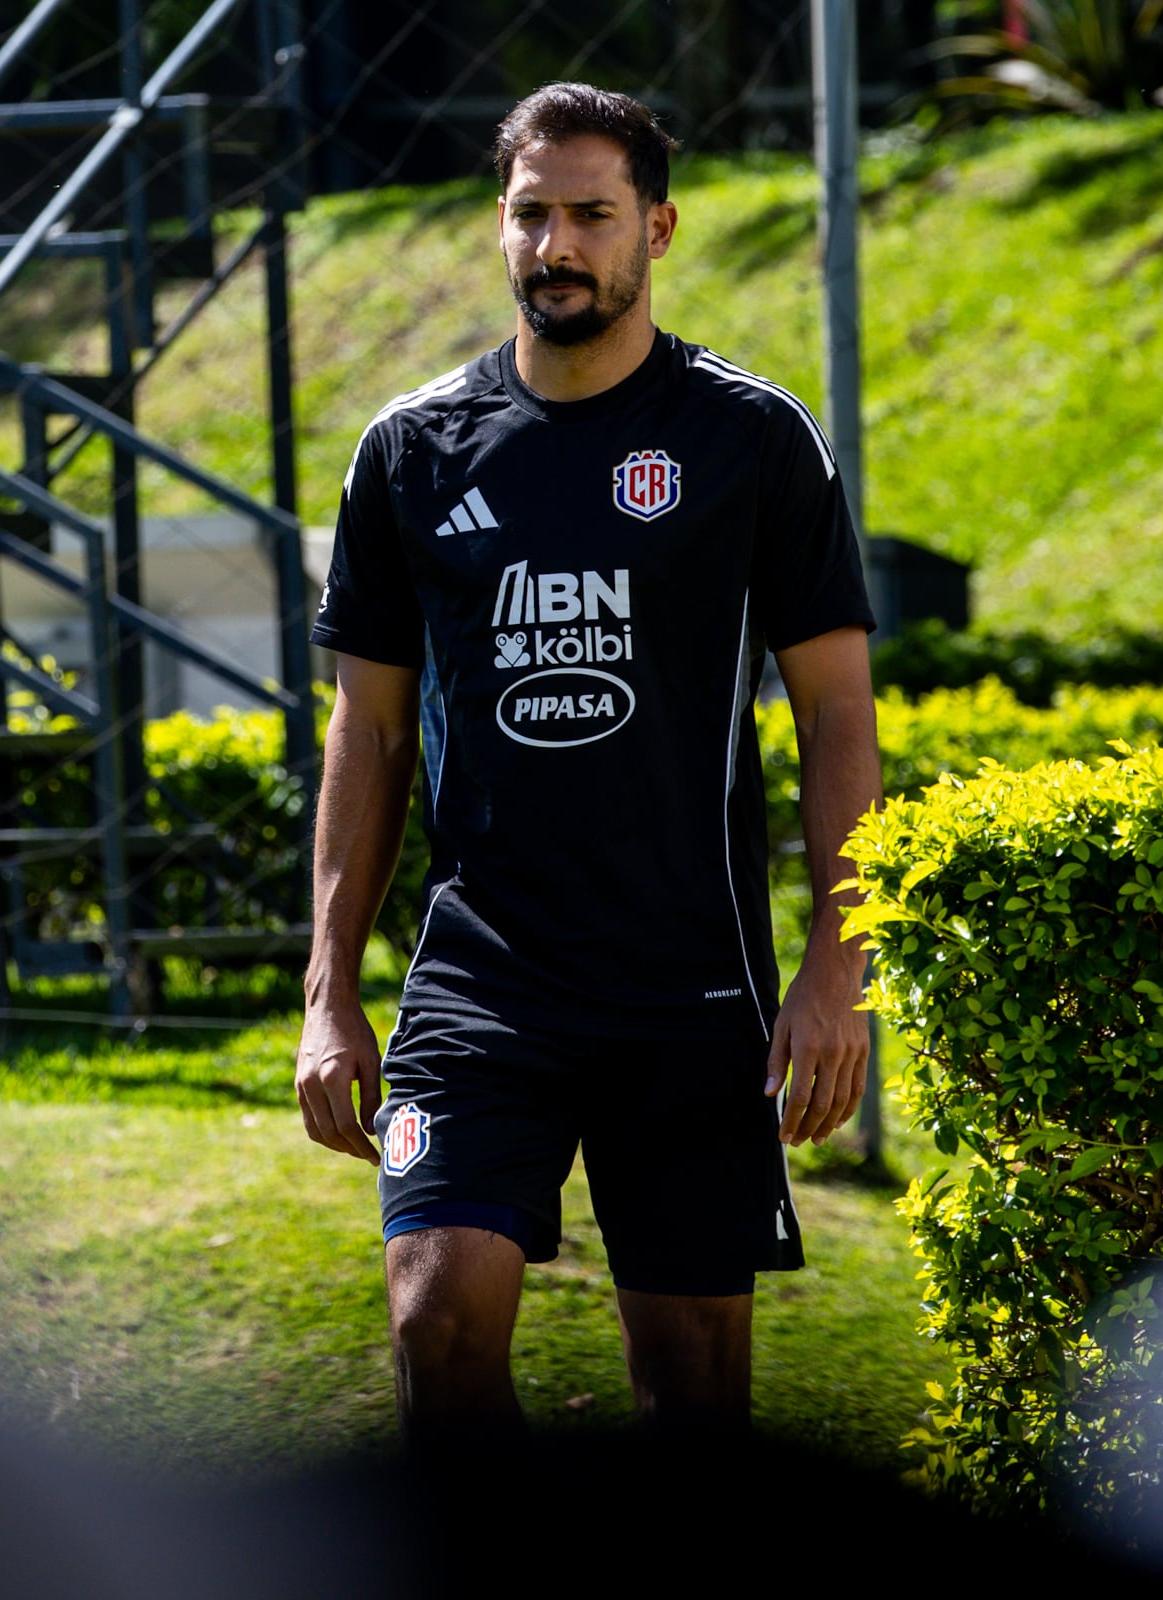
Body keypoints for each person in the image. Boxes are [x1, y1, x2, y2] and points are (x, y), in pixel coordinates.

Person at [296, 82, 885, 1436]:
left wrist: (832, 972)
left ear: (657, 230)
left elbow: (838, 722)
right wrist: (330, 990)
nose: (555, 246)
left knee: (691, 1393)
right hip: (482, 980)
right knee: (435, 1333)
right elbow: (369, 732)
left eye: (590, 216)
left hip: (689, 987)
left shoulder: (750, 442)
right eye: (530, 214)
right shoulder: (409, 451)